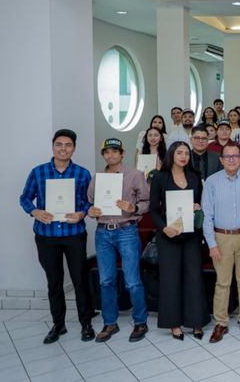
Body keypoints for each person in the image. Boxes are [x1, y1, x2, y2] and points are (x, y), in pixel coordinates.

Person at [19, 129, 96, 344]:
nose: (63, 149)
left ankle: (86, 323)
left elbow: (89, 202)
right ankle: (58, 325)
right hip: (46, 235)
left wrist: (81, 213)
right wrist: (34, 211)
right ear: (53, 146)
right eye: (59, 144)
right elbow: (25, 197)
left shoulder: (82, 173)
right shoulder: (38, 172)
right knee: (54, 282)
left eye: (68, 145)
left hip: (74, 234)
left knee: (80, 280)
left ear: (74, 148)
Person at [87, 138, 149, 343]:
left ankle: (140, 322)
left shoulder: (135, 175)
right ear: (103, 155)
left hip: (126, 231)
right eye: (107, 152)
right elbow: (89, 202)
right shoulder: (97, 178)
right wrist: (91, 211)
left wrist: (134, 208)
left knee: (132, 281)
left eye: (115, 151)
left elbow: (146, 201)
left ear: (122, 153)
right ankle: (110, 323)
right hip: (103, 232)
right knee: (106, 281)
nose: (110, 155)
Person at [149, 141, 209, 340]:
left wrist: (197, 207)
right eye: (179, 152)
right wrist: (164, 228)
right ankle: (174, 323)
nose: (183, 156)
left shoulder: (194, 176)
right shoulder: (159, 177)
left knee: (194, 276)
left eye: (186, 153)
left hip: (191, 235)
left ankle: (196, 322)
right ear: (171, 154)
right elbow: (153, 210)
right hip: (168, 235)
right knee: (170, 278)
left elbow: (199, 206)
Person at [201, 143, 240, 343]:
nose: (232, 159)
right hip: (221, 237)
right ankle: (221, 323)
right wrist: (211, 244)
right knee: (222, 282)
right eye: (227, 156)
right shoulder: (211, 182)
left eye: (236, 156)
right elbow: (207, 215)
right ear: (221, 159)